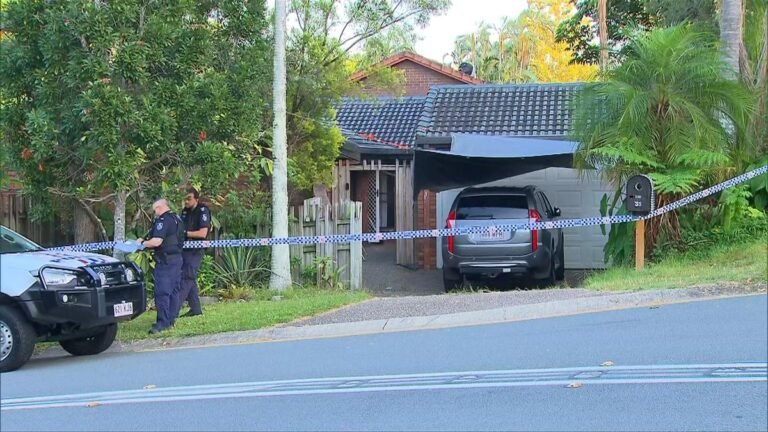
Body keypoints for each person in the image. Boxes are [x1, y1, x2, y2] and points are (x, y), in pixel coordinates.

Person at [139, 199, 185, 334]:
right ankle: (171, 320)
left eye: (155, 210)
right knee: (174, 291)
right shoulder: (176, 218)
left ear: (160, 208)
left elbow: (157, 241)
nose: (155, 214)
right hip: (177, 259)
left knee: (162, 292)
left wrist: (142, 243)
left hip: (165, 261)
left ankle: (162, 323)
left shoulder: (163, 220)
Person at [177, 187, 211, 318]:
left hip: (197, 249)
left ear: (196, 199)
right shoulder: (185, 212)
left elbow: (203, 233)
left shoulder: (202, 210)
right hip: (185, 248)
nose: (186, 201)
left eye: (189, 199)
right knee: (187, 277)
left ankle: (174, 309)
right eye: (184, 199)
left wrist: (185, 233)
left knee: (187, 276)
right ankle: (196, 309)